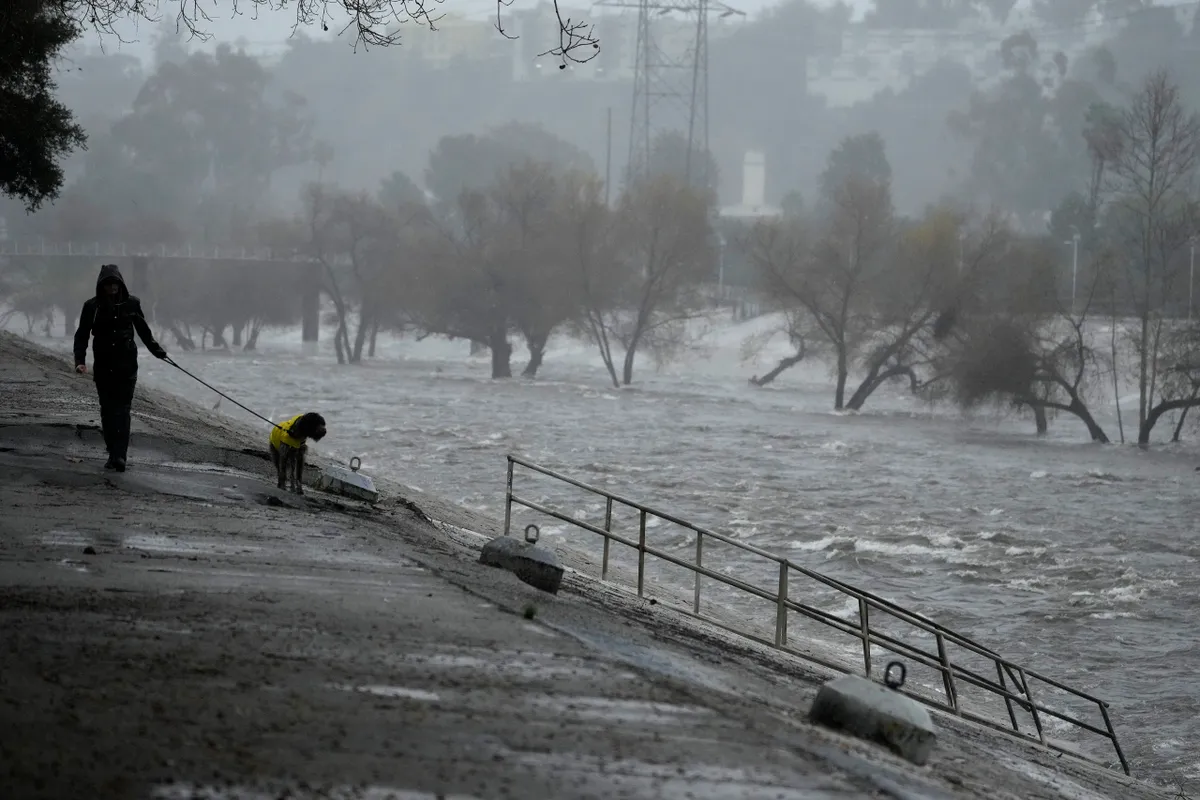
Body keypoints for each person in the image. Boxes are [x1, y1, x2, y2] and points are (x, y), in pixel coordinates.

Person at [73, 264, 167, 472]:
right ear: (102, 286)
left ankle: (120, 456)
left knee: (123, 411)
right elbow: (82, 334)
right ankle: (112, 451)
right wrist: (80, 360)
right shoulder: (92, 307)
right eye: (108, 284)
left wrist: (158, 351)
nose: (112, 287)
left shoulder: (132, 303)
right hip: (104, 365)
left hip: (127, 365)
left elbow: (143, 330)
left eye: (115, 283)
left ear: (120, 283)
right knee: (107, 410)